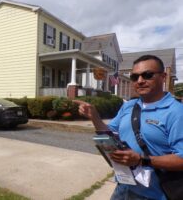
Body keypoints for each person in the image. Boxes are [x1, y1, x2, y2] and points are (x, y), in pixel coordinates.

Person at [74, 55, 183, 200]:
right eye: (135, 77)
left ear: (163, 77)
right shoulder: (129, 105)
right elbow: (110, 133)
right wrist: (95, 117)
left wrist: (141, 160)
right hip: (123, 185)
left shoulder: (176, 112)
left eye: (147, 75)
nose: (140, 81)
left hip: (155, 194)